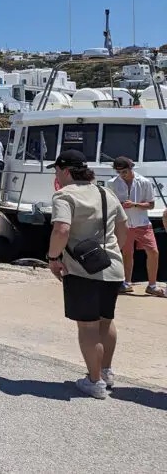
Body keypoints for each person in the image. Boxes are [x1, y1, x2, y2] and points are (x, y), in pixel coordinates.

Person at [45, 150, 129, 399]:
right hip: (112, 268)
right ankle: (106, 372)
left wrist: (53, 259)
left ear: (67, 171)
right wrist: (112, 252)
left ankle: (94, 382)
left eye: (58, 170)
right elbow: (123, 230)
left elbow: (61, 230)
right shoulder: (106, 192)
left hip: (83, 271)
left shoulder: (64, 195)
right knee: (106, 321)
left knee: (88, 327)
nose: (57, 175)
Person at [108, 156, 162, 297]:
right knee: (127, 254)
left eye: (124, 171)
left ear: (131, 168)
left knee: (153, 252)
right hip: (124, 224)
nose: (122, 175)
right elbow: (111, 205)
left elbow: (151, 204)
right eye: (119, 172)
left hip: (143, 224)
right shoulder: (112, 183)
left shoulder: (144, 182)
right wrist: (120, 205)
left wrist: (134, 204)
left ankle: (152, 285)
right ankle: (127, 283)